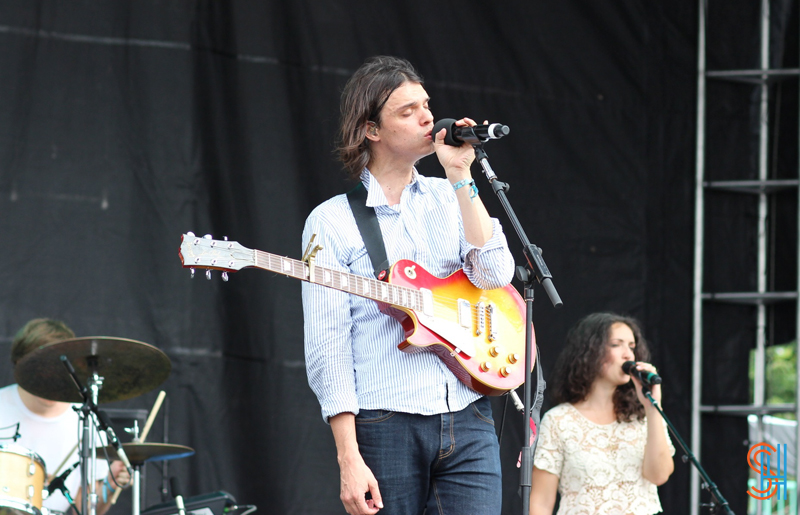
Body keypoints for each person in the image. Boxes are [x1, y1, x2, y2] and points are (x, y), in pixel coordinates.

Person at [301, 56, 516, 515]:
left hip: (467, 411)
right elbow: (327, 346)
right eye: (406, 111)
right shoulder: (331, 221)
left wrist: (460, 176)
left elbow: (496, 275)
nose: (427, 118)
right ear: (370, 130)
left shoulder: (450, 196)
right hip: (384, 421)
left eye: (426, 105)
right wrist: (348, 456)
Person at [528, 312, 675, 515]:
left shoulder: (644, 416)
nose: (628, 355)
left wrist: (652, 407)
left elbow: (659, 475)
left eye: (632, 347)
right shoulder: (559, 420)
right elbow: (541, 503)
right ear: (590, 350)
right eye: (617, 344)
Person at [0, 318, 131, 515]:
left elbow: (83, 509)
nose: (49, 379)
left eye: (57, 370)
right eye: (41, 370)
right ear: (20, 365)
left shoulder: (86, 418)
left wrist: (111, 484)